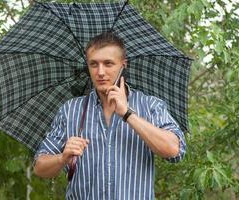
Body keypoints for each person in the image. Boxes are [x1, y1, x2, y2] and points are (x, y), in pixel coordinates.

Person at [33, 32, 186, 200]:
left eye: (108, 64)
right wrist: (62, 158)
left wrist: (127, 113)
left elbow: (174, 150)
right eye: (93, 64)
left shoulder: (150, 105)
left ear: (123, 65)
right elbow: (40, 167)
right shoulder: (71, 110)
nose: (100, 72)